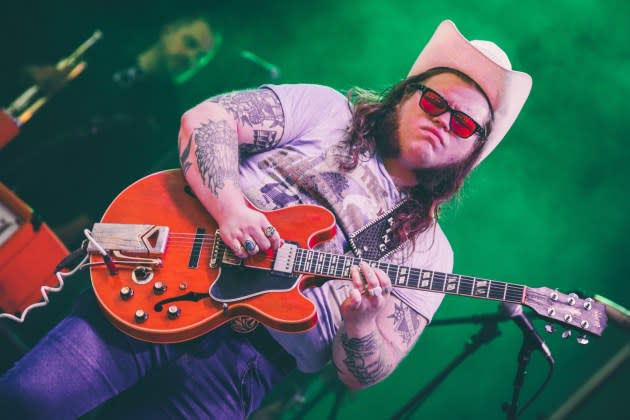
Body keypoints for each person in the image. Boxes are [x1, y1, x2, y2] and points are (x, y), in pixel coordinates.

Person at [0, 20, 532, 418]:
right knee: (29, 400)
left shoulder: (431, 254)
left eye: (463, 123)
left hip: (240, 371)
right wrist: (231, 207)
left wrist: (361, 324)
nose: (443, 122)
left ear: (472, 150)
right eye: (435, 101)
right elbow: (206, 119)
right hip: (167, 281)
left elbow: (365, 372)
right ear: (405, 94)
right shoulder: (328, 112)